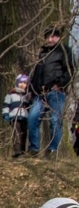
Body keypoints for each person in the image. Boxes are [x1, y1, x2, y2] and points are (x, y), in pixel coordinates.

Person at [27, 27, 75, 158]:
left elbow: (71, 70)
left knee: (55, 121)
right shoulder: (42, 54)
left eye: (53, 36)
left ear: (58, 37)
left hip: (56, 93)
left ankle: (53, 150)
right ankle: (34, 149)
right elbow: (36, 74)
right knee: (32, 119)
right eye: (48, 36)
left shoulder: (64, 51)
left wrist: (60, 84)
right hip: (39, 93)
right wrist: (31, 90)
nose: (49, 39)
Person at [2, 74, 30, 158]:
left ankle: (23, 151)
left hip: (24, 117)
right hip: (15, 117)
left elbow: (29, 107)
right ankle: (17, 151)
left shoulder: (26, 96)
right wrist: (5, 114)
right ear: (17, 83)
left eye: (25, 83)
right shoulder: (11, 94)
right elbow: (5, 105)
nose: (23, 84)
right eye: (21, 82)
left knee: (24, 134)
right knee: (17, 133)